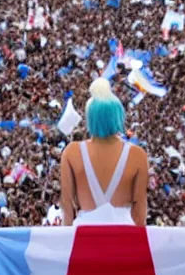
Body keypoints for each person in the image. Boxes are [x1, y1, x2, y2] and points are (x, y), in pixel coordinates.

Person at [60, 78, 149, 227]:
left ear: (90, 118)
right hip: (123, 235)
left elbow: (67, 206)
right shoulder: (137, 155)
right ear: (118, 117)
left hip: (84, 235)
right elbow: (139, 212)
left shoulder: (71, 152)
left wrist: (66, 243)